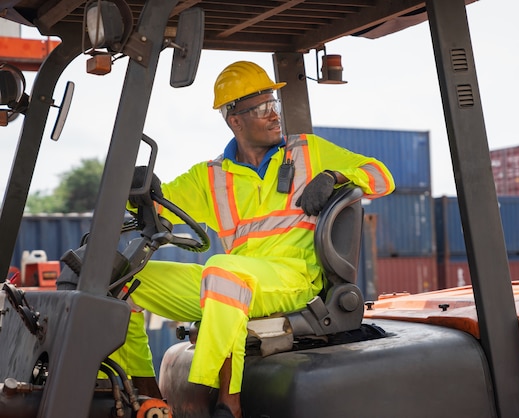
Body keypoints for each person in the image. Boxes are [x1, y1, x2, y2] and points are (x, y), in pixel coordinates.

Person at [113, 61, 395, 418]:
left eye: (273, 104)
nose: (273, 114)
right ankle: (146, 396)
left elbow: (382, 176)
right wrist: (135, 188)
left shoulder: (308, 152)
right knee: (122, 278)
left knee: (222, 269)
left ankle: (220, 399)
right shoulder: (211, 177)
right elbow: (155, 206)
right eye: (262, 108)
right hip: (232, 285)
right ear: (235, 120)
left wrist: (334, 175)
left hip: (291, 279)